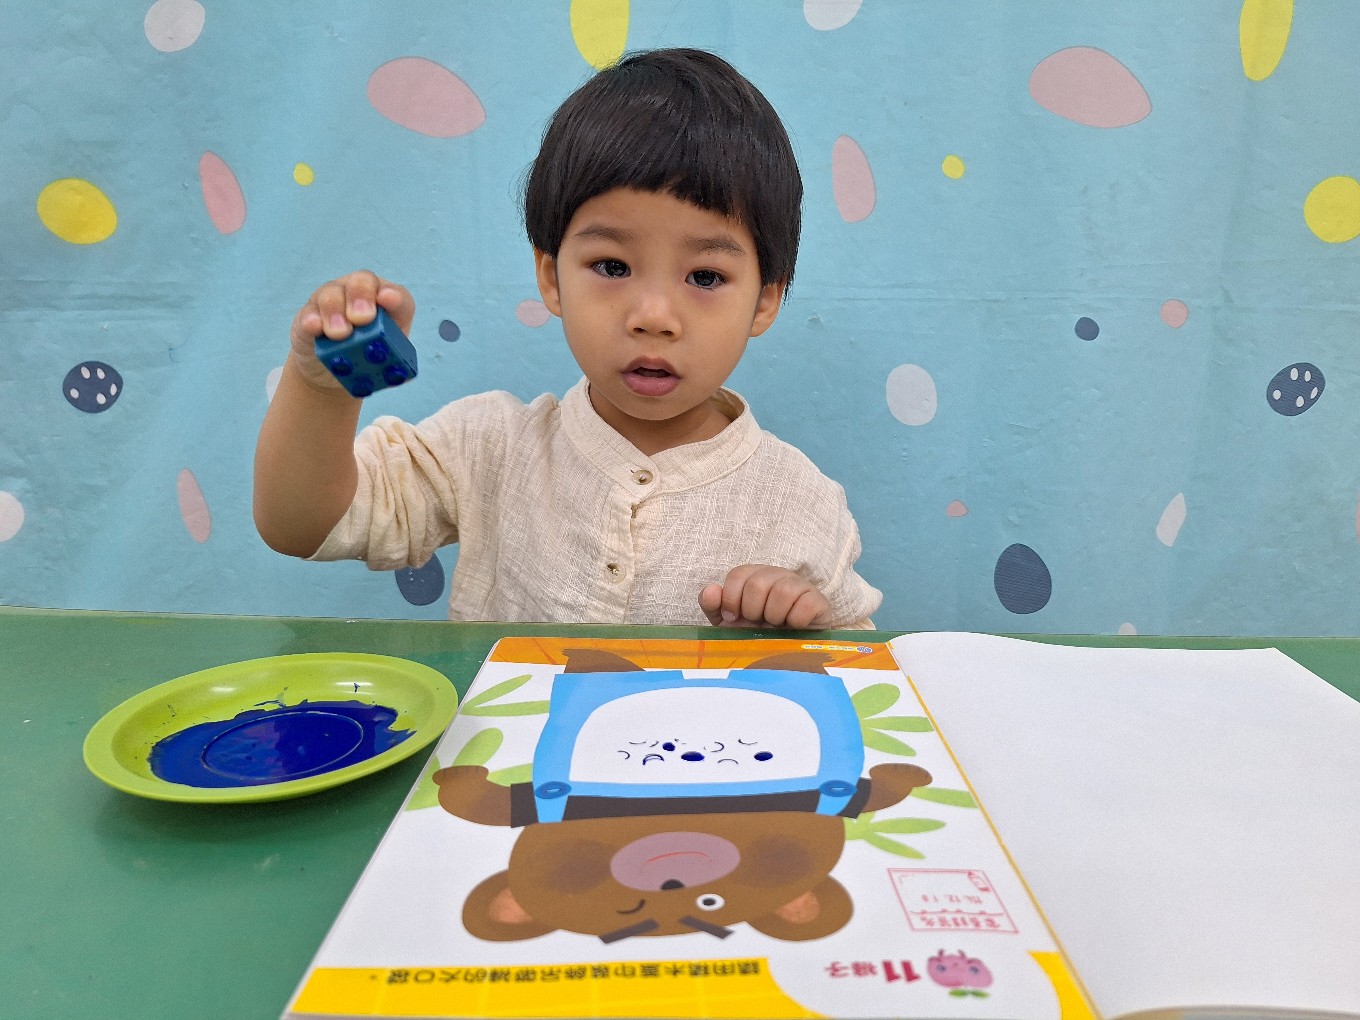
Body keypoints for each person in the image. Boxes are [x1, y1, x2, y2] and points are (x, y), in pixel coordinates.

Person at [253, 47, 881, 629]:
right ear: (552, 278)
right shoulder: (490, 448)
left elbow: (861, 667)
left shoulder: (801, 501)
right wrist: (321, 392)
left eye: (706, 277)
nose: (654, 316)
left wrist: (798, 637)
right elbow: (302, 526)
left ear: (765, 298)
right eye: (612, 266)